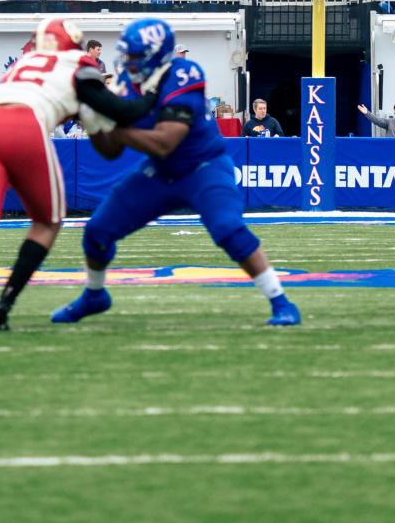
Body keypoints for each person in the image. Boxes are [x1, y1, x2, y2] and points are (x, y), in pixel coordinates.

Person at [49, 17, 300, 327]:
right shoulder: (128, 83)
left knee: (227, 229)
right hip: (160, 171)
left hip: (203, 167)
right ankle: (94, 294)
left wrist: (112, 122)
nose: (128, 62)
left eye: (135, 56)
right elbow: (110, 152)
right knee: (97, 231)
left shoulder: (184, 74)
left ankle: (280, 300)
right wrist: (94, 124)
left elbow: (166, 141)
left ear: (157, 55)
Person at [0, 18, 169, 332]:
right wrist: (152, 94)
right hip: (23, 124)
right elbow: (122, 113)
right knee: (47, 221)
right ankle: (4, 303)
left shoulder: (22, 64)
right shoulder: (78, 63)